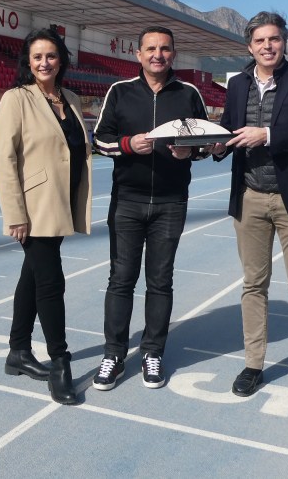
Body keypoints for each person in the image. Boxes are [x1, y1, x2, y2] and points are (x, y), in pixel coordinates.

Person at [211, 11, 288, 405]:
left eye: (274, 39)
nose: (267, 46)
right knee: (253, 285)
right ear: (249, 46)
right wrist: (211, 144)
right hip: (249, 196)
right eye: (260, 40)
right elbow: (229, 129)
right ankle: (253, 364)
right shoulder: (236, 84)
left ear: (284, 41)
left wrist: (267, 135)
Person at [91, 25, 210, 391]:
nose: (158, 55)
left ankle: (152, 352)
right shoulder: (120, 91)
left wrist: (192, 151)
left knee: (160, 281)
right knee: (121, 279)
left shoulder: (188, 93)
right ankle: (113, 353)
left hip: (171, 203)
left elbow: (207, 142)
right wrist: (128, 145)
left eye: (165, 49)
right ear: (138, 54)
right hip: (127, 201)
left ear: (173, 53)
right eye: (151, 49)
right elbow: (99, 140)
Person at [0, 28, 92, 405]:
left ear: (61, 59)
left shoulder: (70, 98)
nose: (44, 62)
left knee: (33, 275)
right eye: (37, 57)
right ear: (28, 61)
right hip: (33, 208)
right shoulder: (16, 99)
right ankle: (60, 363)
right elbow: (4, 159)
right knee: (51, 282)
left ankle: (18, 351)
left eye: (51, 56)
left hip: (62, 201)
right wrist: (15, 213)